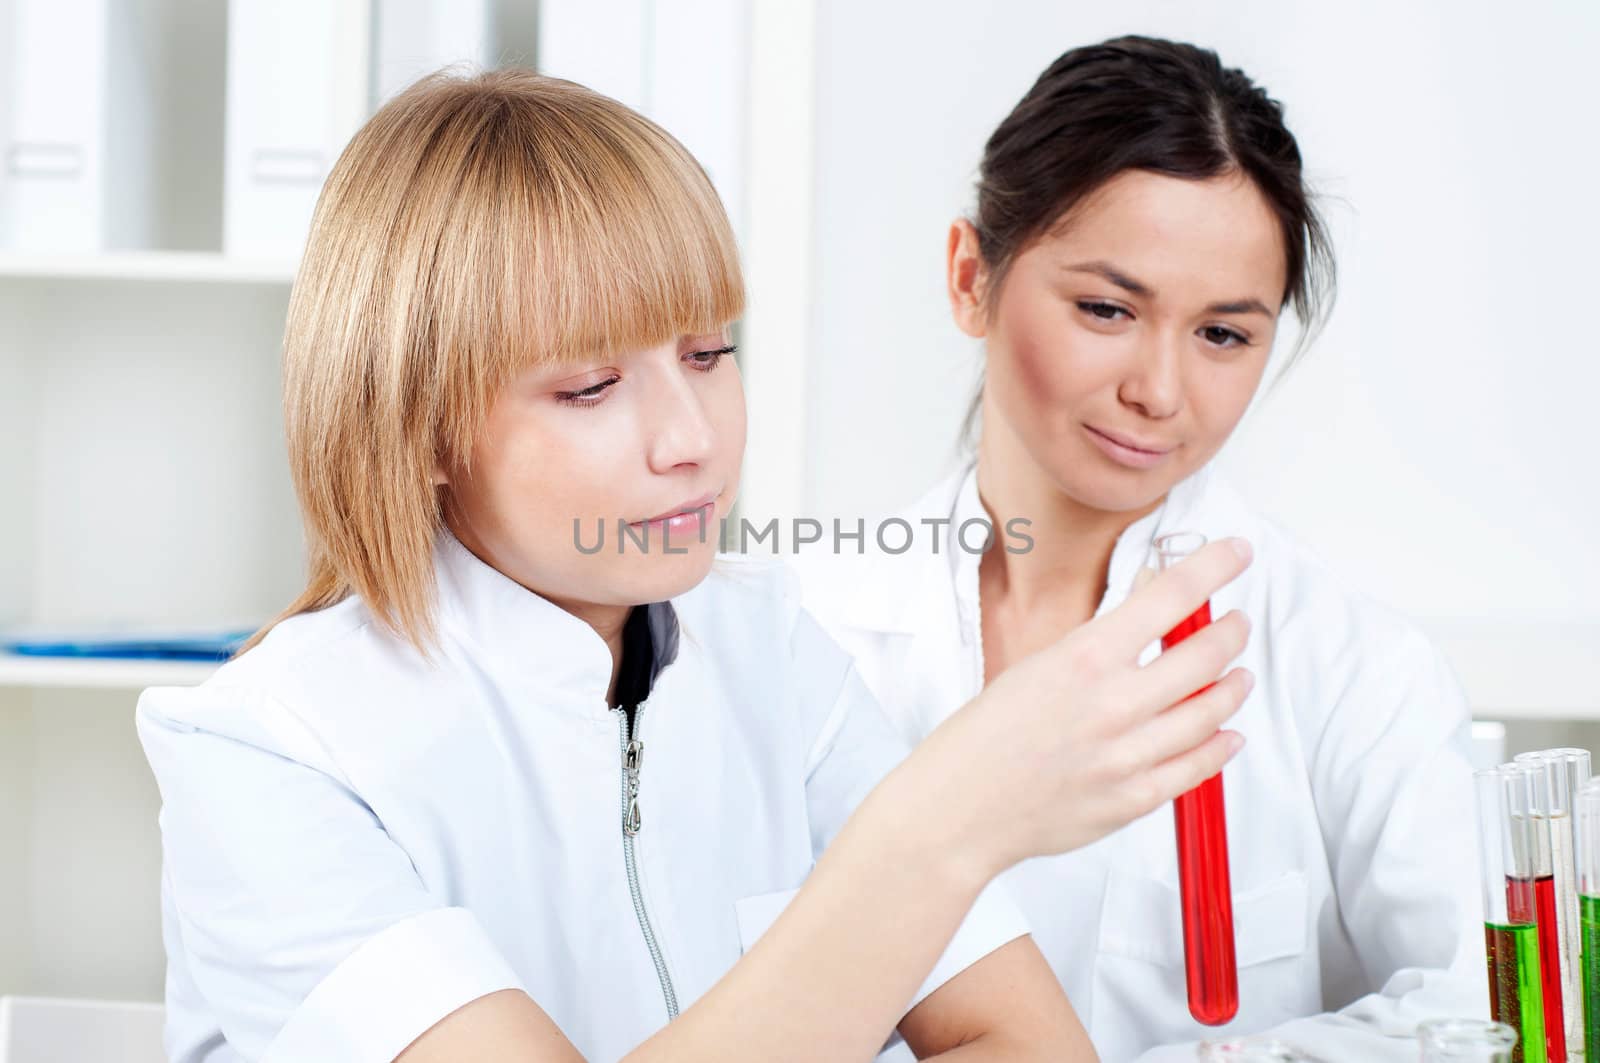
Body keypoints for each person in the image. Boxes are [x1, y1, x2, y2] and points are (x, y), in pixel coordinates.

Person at [135, 68, 1255, 1063]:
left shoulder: (768, 647)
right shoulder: (270, 749)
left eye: (709, 353)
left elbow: (1013, 1037)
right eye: (588, 386)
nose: (694, 439)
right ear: (417, 422)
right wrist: (939, 827)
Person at [794, 36, 1482, 1062]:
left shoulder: (1348, 668)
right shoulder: (803, 632)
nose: (1159, 391)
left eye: (1222, 335)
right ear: (968, 276)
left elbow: (1470, 1018)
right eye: (1107, 309)